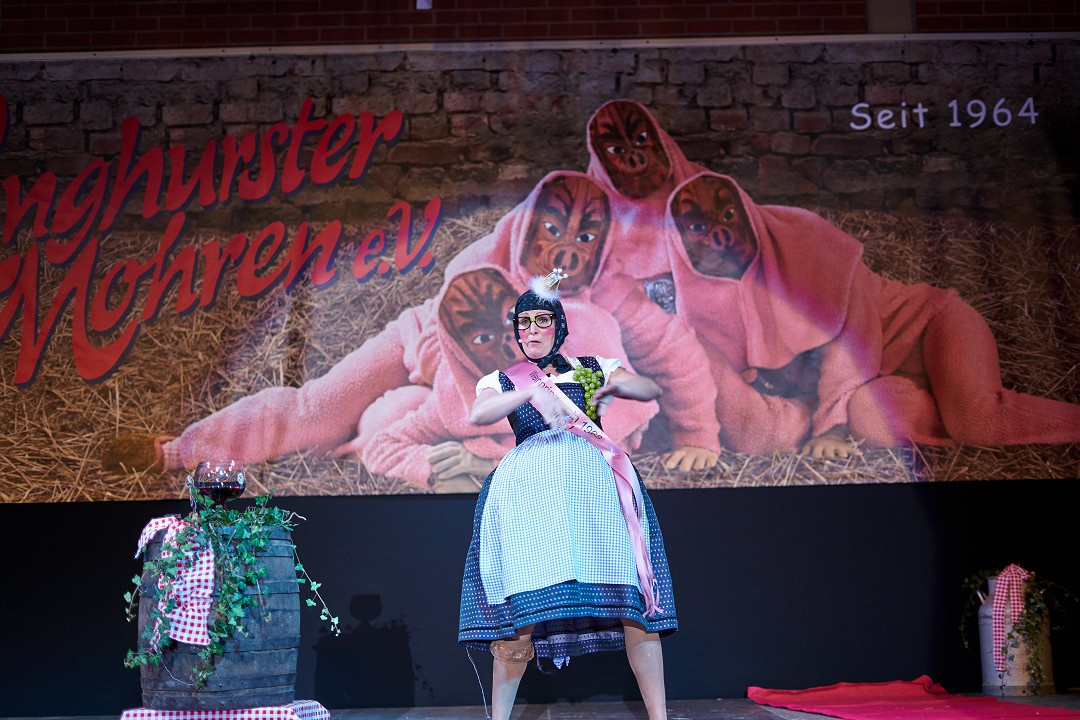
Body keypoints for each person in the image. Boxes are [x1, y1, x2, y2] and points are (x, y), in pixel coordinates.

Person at [458, 271, 676, 720]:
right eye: (524, 323)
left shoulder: (593, 367)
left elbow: (649, 388)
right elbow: (479, 414)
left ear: (559, 327)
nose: (532, 330)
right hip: (529, 497)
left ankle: (660, 717)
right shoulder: (503, 379)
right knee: (522, 612)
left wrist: (618, 385)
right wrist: (527, 393)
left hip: (594, 495)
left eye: (542, 321)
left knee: (632, 606)